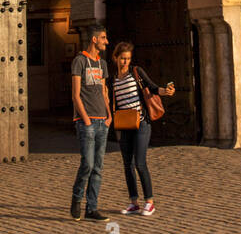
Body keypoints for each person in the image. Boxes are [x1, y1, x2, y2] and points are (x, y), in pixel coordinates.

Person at [109, 42, 175, 216]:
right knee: (127, 164)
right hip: (124, 124)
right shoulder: (112, 77)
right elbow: (110, 100)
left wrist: (165, 91)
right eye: (123, 58)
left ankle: (149, 201)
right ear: (116, 58)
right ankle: (133, 202)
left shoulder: (136, 72)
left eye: (128, 59)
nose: (125, 62)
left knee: (140, 162)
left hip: (141, 123)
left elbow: (152, 87)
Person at [70, 23, 111, 221]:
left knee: (98, 167)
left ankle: (91, 208)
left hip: (103, 121)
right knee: (87, 163)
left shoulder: (102, 64)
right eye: (103, 38)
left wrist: (109, 115)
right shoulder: (79, 61)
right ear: (94, 39)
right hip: (86, 122)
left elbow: (104, 92)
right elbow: (75, 95)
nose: (106, 42)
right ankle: (77, 198)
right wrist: (85, 120)